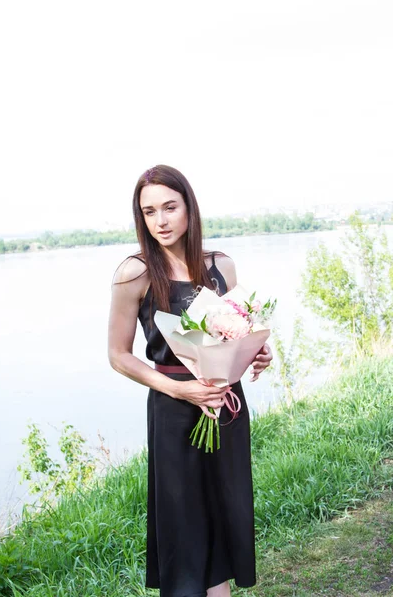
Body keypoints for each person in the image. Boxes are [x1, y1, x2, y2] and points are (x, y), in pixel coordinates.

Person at [107, 164, 273, 597]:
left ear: (189, 208)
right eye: (148, 212)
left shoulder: (221, 266)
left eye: (169, 207)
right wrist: (179, 389)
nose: (160, 221)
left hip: (225, 406)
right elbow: (118, 356)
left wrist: (258, 353)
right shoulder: (135, 273)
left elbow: (239, 332)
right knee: (185, 524)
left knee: (223, 512)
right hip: (174, 410)